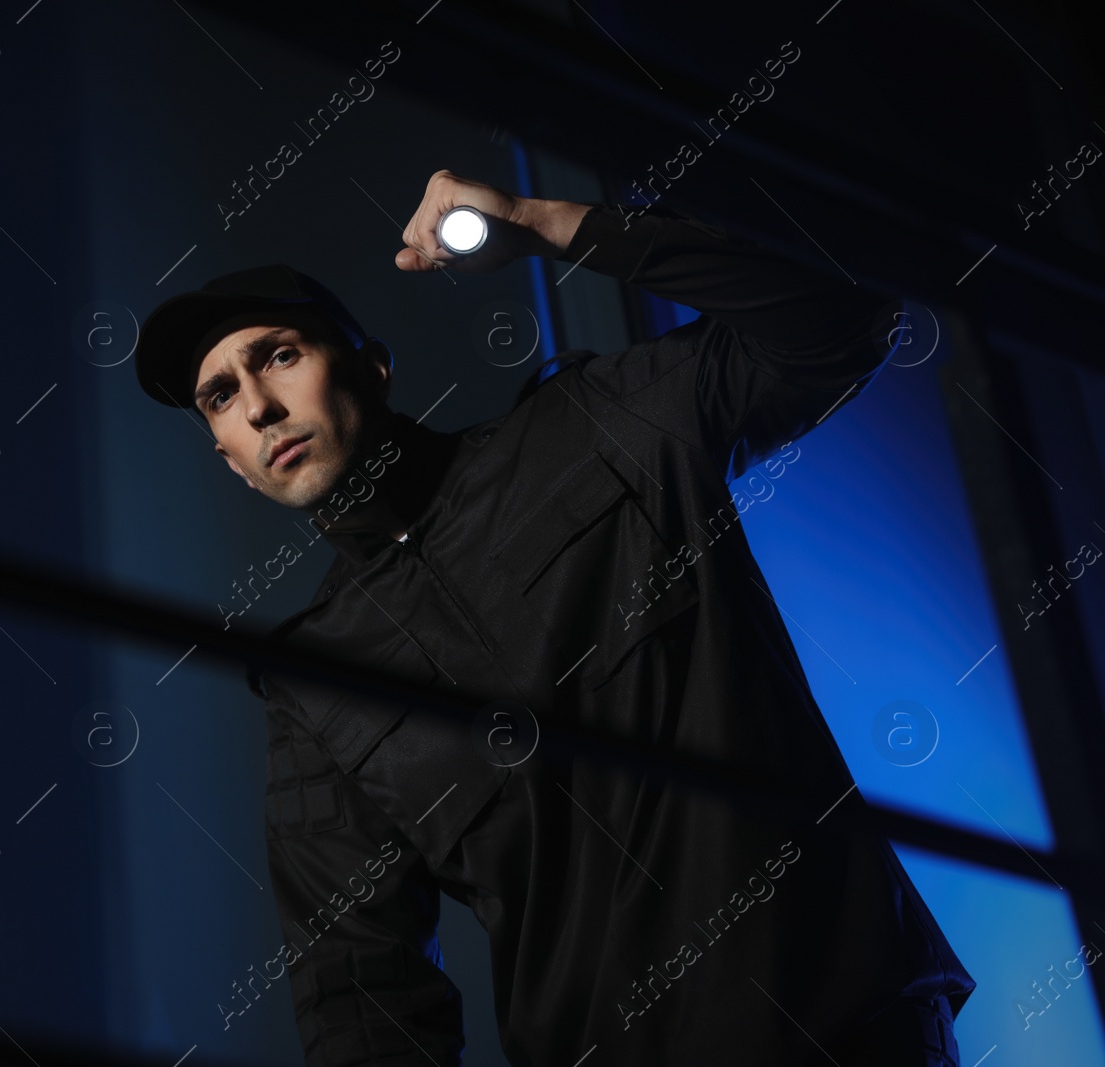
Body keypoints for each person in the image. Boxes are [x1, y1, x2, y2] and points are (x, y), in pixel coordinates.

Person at [134, 169, 974, 1066]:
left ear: (371, 366)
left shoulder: (595, 423)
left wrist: (550, 225)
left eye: (278, 354)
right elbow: (362, 998)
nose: (259, 406)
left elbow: (842, 323)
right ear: (230, 460)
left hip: (856, 1032)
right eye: (219, 397)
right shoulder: (316, 687)